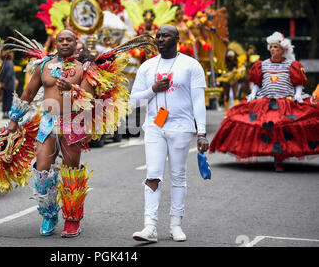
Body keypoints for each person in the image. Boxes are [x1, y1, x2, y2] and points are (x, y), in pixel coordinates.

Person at [6, 30, 95, 237]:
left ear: (75, 43)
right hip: (48, 123)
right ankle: (48, 214)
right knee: (42, 169)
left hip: (73, 123)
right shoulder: (44, 66)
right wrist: (14, 119)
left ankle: (72, 219)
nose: (64, 43)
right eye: (61, 40)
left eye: (69, 40)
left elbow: (89, 100)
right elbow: (27, 92)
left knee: (71, 172)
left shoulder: (85, 69)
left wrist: (71, 89)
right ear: (56, 43)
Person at [130, 24, 209, 242]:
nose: (160, 39)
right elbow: (134, 101)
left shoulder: (191, 65)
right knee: (152, 174)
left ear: (177, 38)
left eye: (165, 35)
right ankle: (150, 226)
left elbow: (198, 101)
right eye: (158, 36)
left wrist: (201, 133)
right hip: (155, 126)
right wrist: (152, 90)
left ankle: (176, 224)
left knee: (178, 176)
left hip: (181, 127)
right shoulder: (147, 67)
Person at [209, 32, 319, 172]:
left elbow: (298, 82)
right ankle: (264, 151)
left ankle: (279, 158)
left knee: (281, 127)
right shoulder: (262, 65)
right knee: (256, 124)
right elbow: (257, 82)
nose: (272, 49)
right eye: (271, 47)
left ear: (283, 49)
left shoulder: (292, 65)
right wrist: (253, 94)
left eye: (276, 47)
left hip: (286, 100)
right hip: (265, 99)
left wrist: (298, 95)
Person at [0, 50, 16, 119]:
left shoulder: (3, 63)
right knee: (9, 99)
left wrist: (1, 82)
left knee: (4, 98)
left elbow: (0, 74)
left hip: (4, 84)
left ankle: (4, 112)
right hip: (9, 84)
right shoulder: (11, 64)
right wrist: (5, 82)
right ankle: (7, 112)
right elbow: (8, 75)